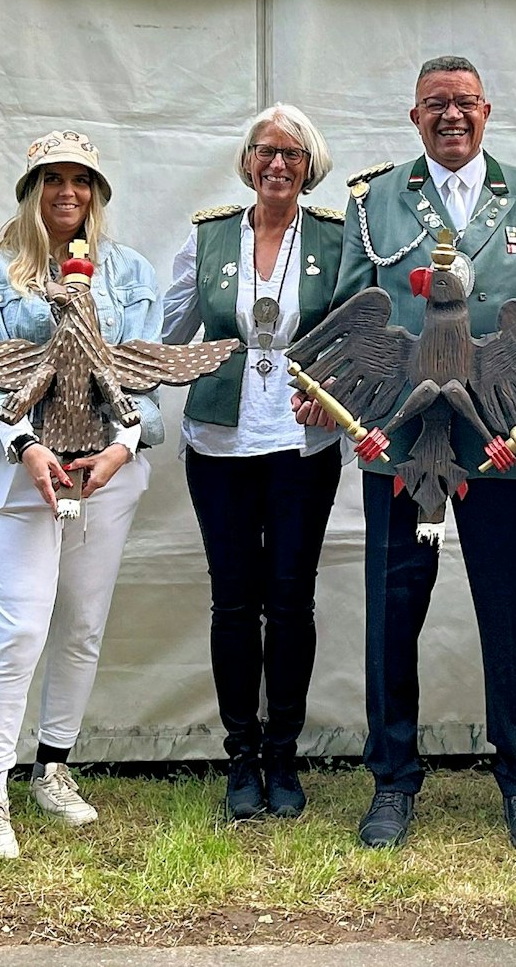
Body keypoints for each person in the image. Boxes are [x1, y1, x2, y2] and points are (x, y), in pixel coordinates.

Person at [299, 55, 516, 851]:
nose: (452, 116)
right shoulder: (374, 201)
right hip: (399, 438)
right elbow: (345, 310)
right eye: (437, 105)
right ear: (414, 116)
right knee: (393, 612)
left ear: (487, 111)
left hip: (499, 439)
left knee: (509, 607)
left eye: (465, 103)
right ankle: (392, 781)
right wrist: (330, 391)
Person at [0, 130, 164, 859]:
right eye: (52, 179)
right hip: (22, 475)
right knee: (19, 627)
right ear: (31, 189)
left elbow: (143, 384)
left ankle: (53, 766)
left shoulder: (131, 273)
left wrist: (119, 448)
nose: (66, 193)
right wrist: (29, 444)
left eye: (81, 180)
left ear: (98, 194)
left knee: (80, 624)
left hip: (104, 475)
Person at [161, 106, 345, 820]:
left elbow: (365, 321)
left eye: (292, 155)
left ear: (308, 166)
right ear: (247, 162)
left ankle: (283, 755)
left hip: (304, 444)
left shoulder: (333, 235)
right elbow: (168, 334)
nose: (277, 165)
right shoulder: (208, 237)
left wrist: (341, 394)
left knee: (291, 599)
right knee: (234, 601)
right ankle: (241, 756)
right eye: (266, 152)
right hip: (220, 444)